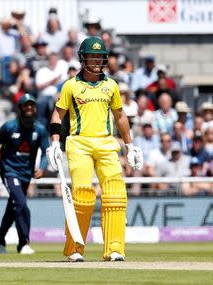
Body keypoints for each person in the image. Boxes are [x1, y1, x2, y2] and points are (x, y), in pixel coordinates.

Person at [46, 36, 143, 262]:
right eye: (93, 56)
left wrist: (130, 144)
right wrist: (53, 143)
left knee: (116, 195)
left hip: (107, 144)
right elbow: (57, 114)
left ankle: (114, 248)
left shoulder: (111, 85)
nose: (97, 61)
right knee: (82, 196)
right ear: (83, 58)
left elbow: (120, 116)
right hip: (79, 144)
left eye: (100, 56)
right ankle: (74, 249)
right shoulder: (71, 85)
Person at [0, 94, 49, 255]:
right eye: (25, 105)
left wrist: (42, 167)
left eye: (31, 105)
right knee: (21, 205)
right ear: (20, 108)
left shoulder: (40, 129)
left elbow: (45, 152)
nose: (29, 108)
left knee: (13, 208)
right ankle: (23, 244)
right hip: (9, 171)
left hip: (26, 174)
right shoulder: (9, 127)